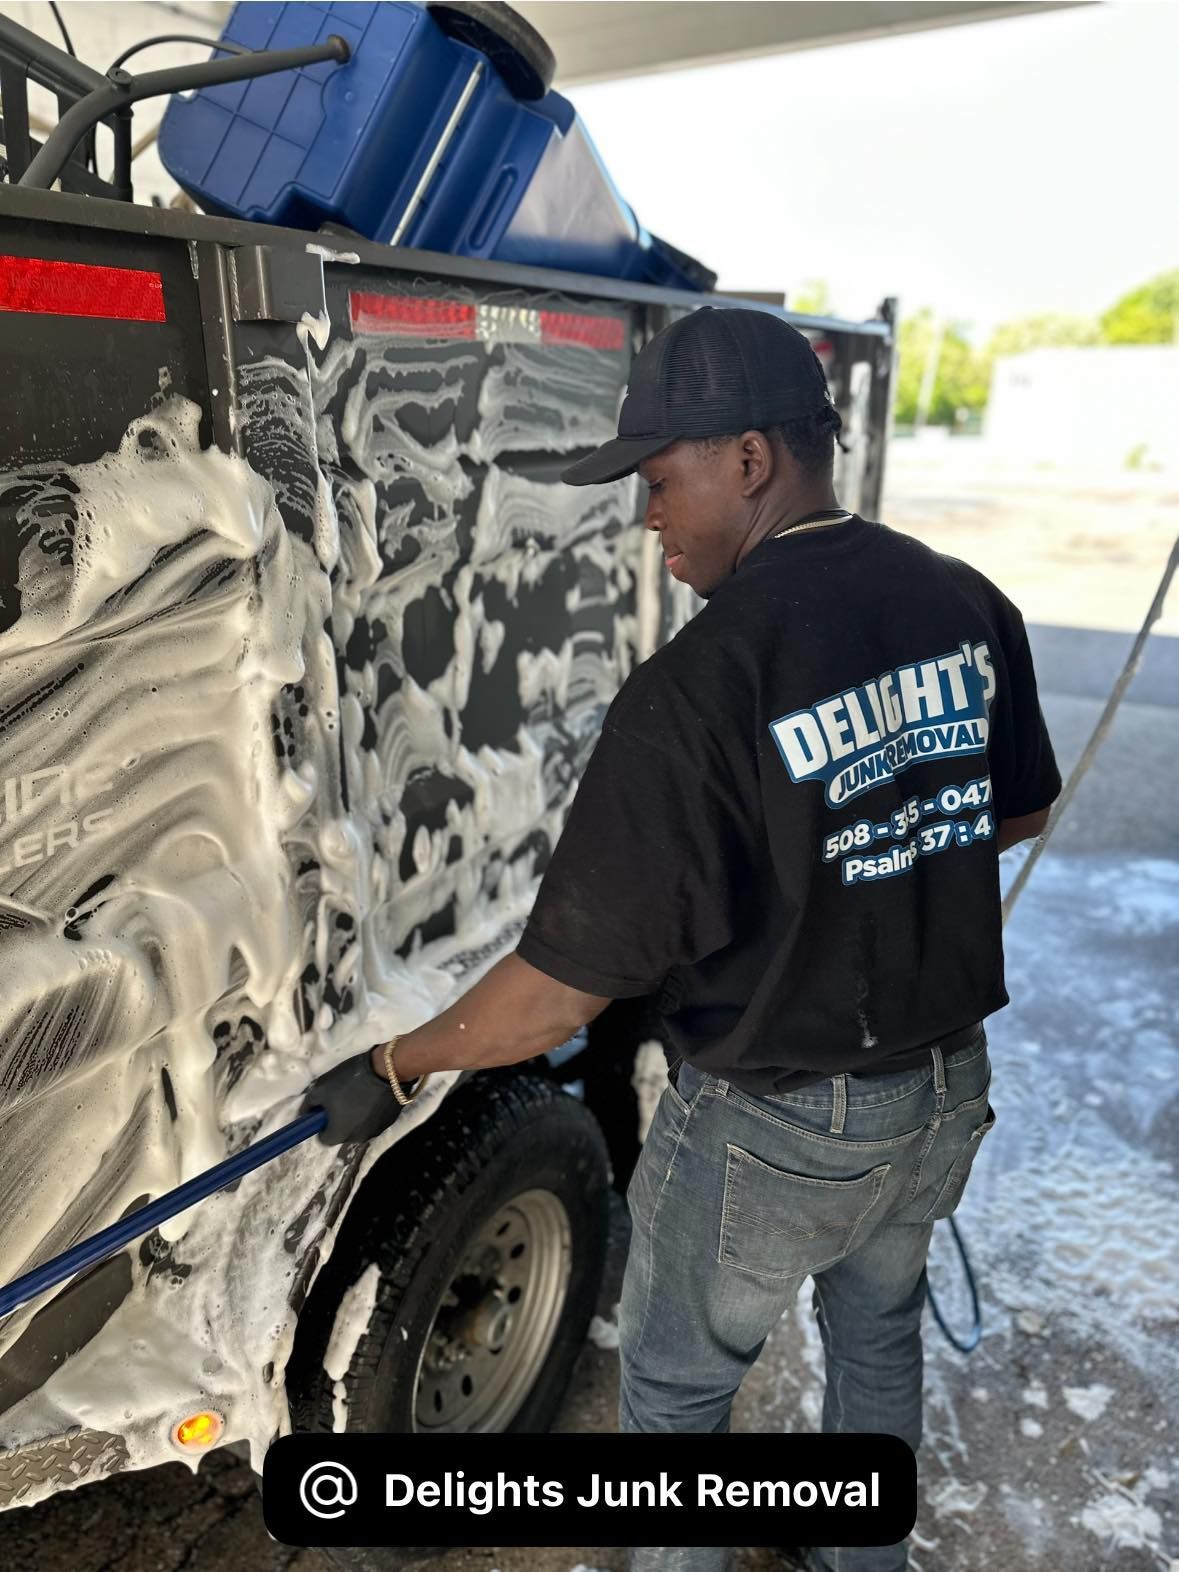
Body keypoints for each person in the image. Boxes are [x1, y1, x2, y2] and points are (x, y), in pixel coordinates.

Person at [308, 307, 1061, 1572]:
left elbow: (556, 999)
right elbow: (1020, 801)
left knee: (675, 1405)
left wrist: (395, 1066)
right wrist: (877, 846)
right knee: (878, 1335)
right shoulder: (960, 599)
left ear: (751, 460)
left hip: (774, 1129)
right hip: (941, 1095)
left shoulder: (698, 688)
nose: (647, 518)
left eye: (661, 481)